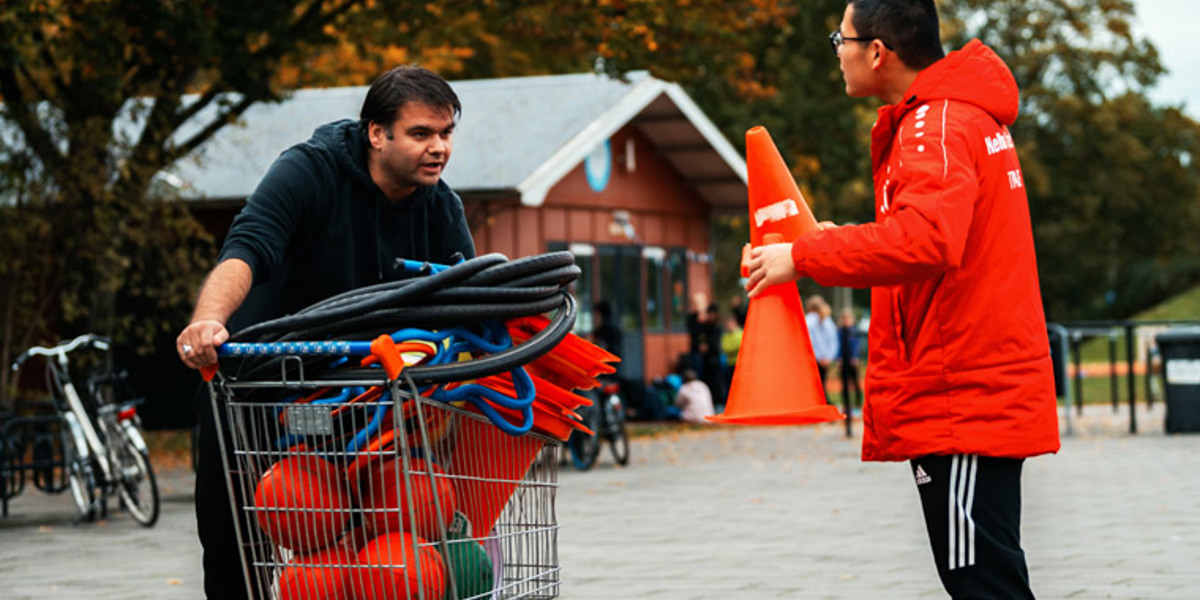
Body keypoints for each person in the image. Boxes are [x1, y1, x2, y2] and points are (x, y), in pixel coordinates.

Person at [745, 1, 1059, 597]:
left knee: (980, 582)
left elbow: (928, 241)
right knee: (983, 573)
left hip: (963, 396)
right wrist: (836, 241)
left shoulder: (935, 123)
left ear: (877, 51)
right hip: (971, 386)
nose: (836, 49)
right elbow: (924, 234)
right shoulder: (961, 118)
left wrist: (804, 257)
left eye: (841, 37)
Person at [175, 65, 476, 600]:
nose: (439, 148)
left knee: (386, 530)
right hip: (262, 386)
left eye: (446, 133)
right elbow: (249, 246)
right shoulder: (308, 171)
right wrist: (209, 320)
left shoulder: (441, 206)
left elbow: (474, 302)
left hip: (365, 394)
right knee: (235, 546)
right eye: (421, 133)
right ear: (376, 134)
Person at [805, 295, 840, 391]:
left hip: (814, 358)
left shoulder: (808, 320)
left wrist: (818, 356)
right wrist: (828, 357)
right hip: (824, 358)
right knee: (822, 384)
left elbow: (810, 341)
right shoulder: (828, 321)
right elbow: (833, 341)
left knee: (812, 385)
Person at [836, 307, 863, 412]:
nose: (846, 321)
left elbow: (857, 346)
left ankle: (858, 403)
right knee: (844, 384)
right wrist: (839, 358)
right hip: (843, 360)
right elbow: (837, 345)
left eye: (848, 318)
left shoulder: (854, 331)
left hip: (853, 360)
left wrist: (855, 357)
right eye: (844, 318)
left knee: (856, 382)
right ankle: (846, 404)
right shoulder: (839, 332)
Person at [718, 311, 743, 405]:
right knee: (730, 386)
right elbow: (725, 348)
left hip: (739, 364)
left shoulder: (741, 333)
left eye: (730, 323)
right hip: (729, 363)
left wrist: (733, 348)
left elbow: (741, 346)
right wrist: (735, 348)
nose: (728, 325)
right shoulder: (725, 336)